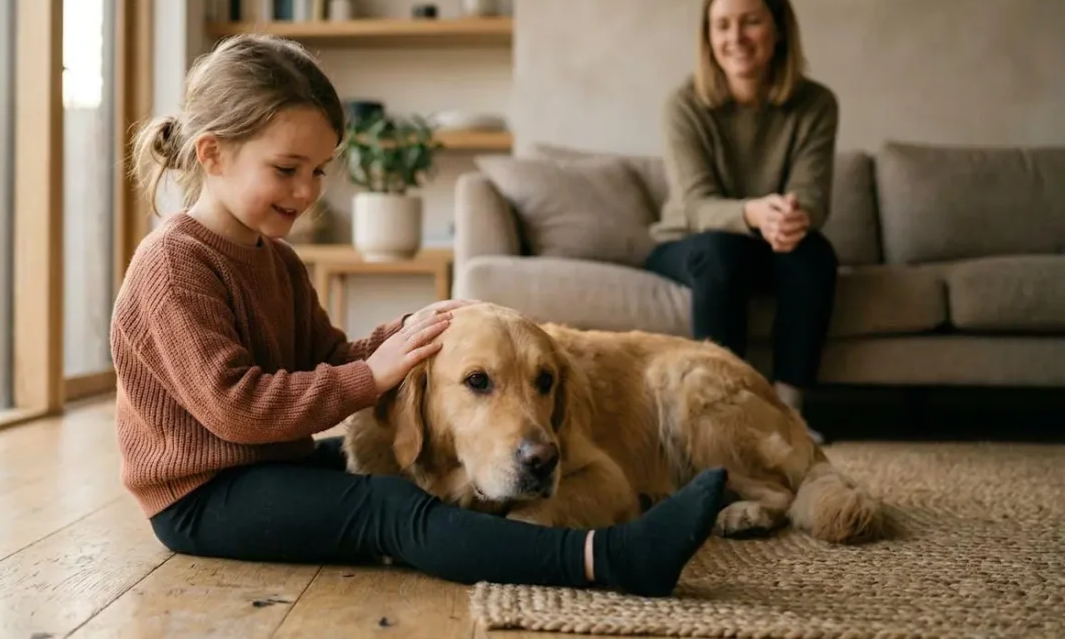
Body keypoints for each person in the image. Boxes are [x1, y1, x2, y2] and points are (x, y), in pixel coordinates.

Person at [111, 32, 728, 599]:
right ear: (212, 154)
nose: (307, 192)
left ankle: (532, 526)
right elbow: (236, 408)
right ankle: (607, 558)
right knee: (387, 507)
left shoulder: (276, 259)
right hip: (200, 495)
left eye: (319, 171)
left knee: (418, 469)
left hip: (264, 465)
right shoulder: (174, 265)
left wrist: (410, 334)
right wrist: (371, 376)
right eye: (286, 170)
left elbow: (326, 361)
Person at [645, 0, 839, 421]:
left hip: (771, 245)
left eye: (751, 21)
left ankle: (788, 412)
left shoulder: (816, 103)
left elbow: (813, 194)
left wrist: (796, 215)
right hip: (689, 243)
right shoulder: (684, 104)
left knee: (814, 252)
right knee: (720, 250)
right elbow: (696, 205)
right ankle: (720, 414)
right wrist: (754, 212)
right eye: (722, 25)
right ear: (709, 37)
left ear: (778, 29)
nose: (737, 37)